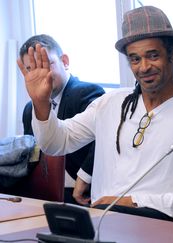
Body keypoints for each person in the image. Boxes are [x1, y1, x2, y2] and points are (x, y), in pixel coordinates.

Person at [17, 6, 173, 223]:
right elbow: (55, 143)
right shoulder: (111, 102)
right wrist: (40, 103)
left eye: (153, 56)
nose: (143, 67)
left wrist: (133, 202)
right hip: (102, 226)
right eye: (134, 59)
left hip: (161, 228)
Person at [19, 34, 105, 204]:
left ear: (64, 61)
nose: (41, 74)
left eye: (45, 64)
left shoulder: (86, 92)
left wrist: (84, 177)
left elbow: (103, 139)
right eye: (31, 69)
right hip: (44, 192)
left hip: (81, 192)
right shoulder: (30, 109)